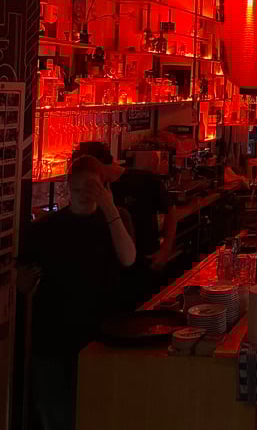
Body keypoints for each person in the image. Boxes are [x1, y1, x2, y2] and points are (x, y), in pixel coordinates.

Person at [19, 155, 136, 430]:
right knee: (57, 417)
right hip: (53, 338)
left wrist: (109, 209)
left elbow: (128, 258)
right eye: (78, 188)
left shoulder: (116, 220)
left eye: (92, 188)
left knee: (97, 412)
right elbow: (24, 284)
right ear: (68, 187)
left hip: (101, 336)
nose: (84, 195)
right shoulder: (46, 228)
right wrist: (23, 283)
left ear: (104, 187)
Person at [71, 142, 179, 299]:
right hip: (110, 270)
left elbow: (171, 211)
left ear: (99, 164)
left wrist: (165, 249)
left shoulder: (146, 180)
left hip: (145, 263)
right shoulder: (99, 188)